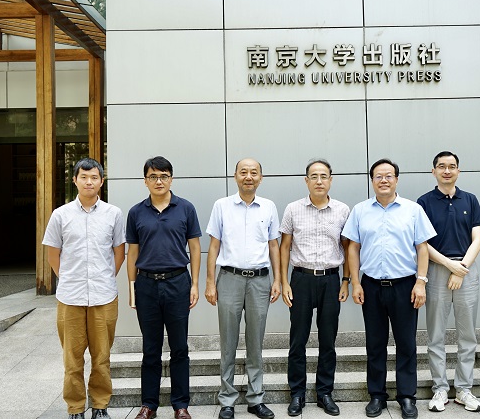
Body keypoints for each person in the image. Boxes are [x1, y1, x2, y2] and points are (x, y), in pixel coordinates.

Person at [342, 158, 435, 419]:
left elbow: (422, 248)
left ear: (396, 179)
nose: (384, 180)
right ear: (372, 180)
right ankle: (377, 395)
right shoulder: (360, 210)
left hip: (405, 285)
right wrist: (356, 282)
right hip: (371, 285)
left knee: (406, 343)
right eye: (378, 176)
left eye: (389, 176)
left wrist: (421, 282)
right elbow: (353, 248)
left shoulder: (413, 210)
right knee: (375, 343)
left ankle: (406, 396)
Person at [42, 158, 126, 419]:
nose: (89, 182)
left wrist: (104, 277)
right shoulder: (60, 215)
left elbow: (119, 253)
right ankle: (76, 408)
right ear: (75, 180)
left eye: (94, 177)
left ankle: (100, 406)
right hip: (71, 298)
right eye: (84, 177)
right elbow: (53, 254)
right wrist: (68, 278)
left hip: (104, 296)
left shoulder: (113, 214)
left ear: (101, 181)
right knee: (72, 359)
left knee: (102, 357)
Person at [126, 156, 202, 419]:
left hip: (178, 282)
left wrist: (194, 284)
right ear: (145, 181)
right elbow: (132, 253)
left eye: (164, 176)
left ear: (171, 178)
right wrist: (132, 289)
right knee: (151, 348)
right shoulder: (136, 212)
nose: (159, 181)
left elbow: (195, 248)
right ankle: (149, 405)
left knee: (179, 347)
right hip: (146, 285)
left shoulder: (186, 208)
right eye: (153, 176)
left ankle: (181, 405)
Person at [205, 158, 281, 419]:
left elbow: (273, 246)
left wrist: (278, 280)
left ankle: (255, 398)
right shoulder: (222, 206)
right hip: (229, 278)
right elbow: (214, 246)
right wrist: (210, 283)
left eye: (254, 172)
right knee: (228, 341)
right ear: (235, 176)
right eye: (244, 172)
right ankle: (227, 400)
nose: (249, 176)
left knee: (255, 341)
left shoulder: (269, 207)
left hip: (260, 280)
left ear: (261, 177)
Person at [280, 159, 350, 417]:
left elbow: (348, 248)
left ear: (331, 179)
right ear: (306, 180)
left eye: (324, 176)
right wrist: (284, 282)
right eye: (314, 176)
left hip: (331, 280)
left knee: (328, 340)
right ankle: (297, 393)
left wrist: (346, 280)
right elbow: (284, 247)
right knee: (297, 339)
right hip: (301, 279)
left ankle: (324, 393)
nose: (319, 181)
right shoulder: (293, 209)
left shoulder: (342, 210)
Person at [417, 151, 480, 413]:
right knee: (436, 334)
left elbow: (477, 239)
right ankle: (440, 388)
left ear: (458, 170)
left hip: (466, 270)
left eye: (452, 166)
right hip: (436, 270)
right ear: (433, 171)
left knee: (467, 334)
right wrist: (449, 265)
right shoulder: (424, 202)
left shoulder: (470, 199)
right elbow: (422, 243)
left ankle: (464, 389)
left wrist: (461, 268)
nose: (447, 170)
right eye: (442, 166)